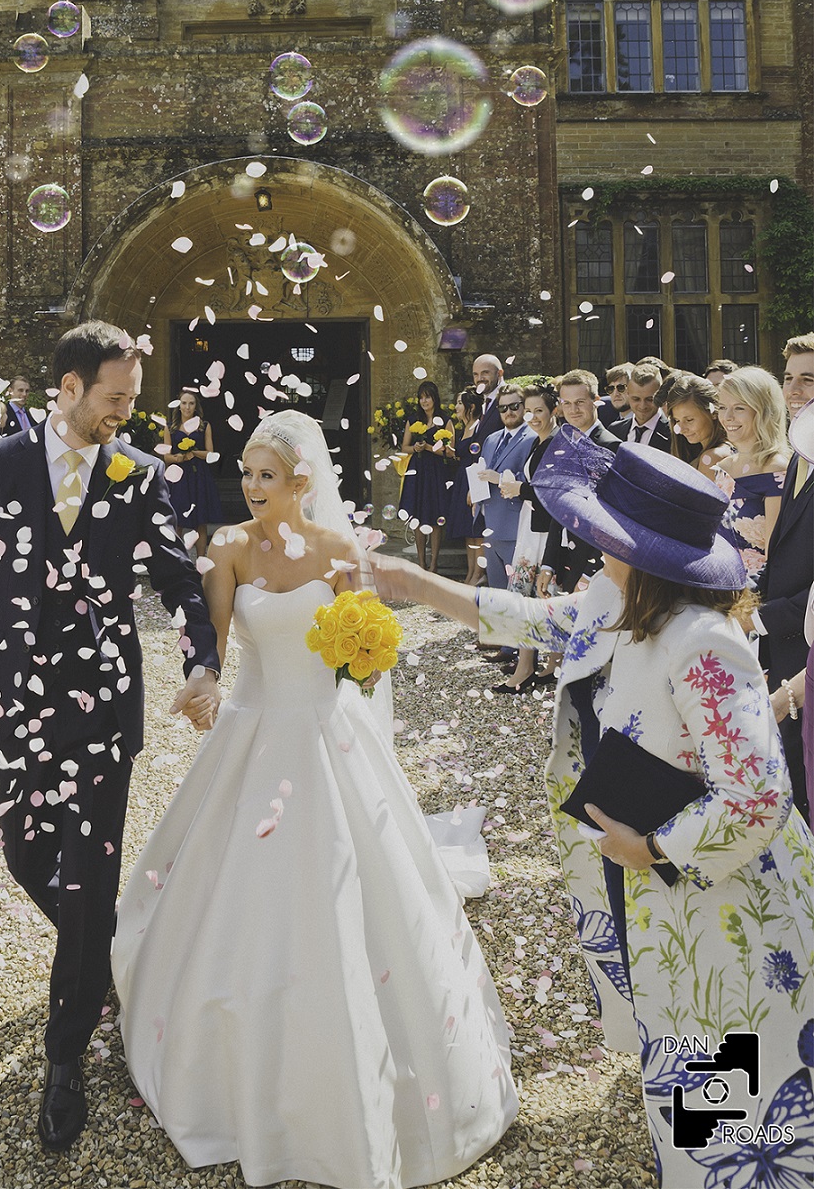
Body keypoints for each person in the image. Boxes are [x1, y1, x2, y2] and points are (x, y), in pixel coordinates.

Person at [372, 438, 814, 1189]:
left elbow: (757, 794)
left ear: (639, 552)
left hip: (724, 907)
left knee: (724, 1050)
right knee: (687, 1048)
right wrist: (417, 585)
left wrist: (657, 848)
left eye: (604, 532)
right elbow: (543, 620)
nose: (590, 541)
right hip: (657, 893)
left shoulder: (702, 642)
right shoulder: (616, 602)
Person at [112, 410, 518, 1189]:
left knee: (356, 884)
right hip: (254, 733)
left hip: (329, 735)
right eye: (246, 473)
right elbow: (213, 643)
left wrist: (361, 659)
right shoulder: (225, 547)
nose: (252, 486)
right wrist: (200, 681)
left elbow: (363, 653)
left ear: (302, 483)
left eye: (267, 475)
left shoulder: (338, 550)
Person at [0, 321, 221, 1154]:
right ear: (67, 387)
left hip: (103, 703)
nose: (123, 414)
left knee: (88, 873)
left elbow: (176, 572)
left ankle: (64, 1058)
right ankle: (97, 954)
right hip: (17, 700)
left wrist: (202, 659)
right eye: (113, 398)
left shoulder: (139, 474)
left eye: (130, 399)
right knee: (24, 855)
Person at [749, 334, 814, 824]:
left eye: (808, 379)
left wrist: (762, 618)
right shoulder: (799, 454)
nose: (794, 389)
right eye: (788, 377)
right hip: (782, 649)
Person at [493, 380, 559, 694]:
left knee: (541, 598)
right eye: (529, 410)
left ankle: (539, 667)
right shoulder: (538, 440)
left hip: (546, 531)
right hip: (530, 526)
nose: (532, 417)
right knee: (526, 598)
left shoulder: (556, 442)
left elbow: (555, 491)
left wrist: (520, 489)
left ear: (553, 410)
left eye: (538, 411)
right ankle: (532, 665)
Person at [538, 370, 620, 598]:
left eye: (580, 402)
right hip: (567, 558)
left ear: (596, 402)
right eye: (567, 403)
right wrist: (548, 564)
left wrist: (590, 572)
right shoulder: (560, 444)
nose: (573, 410)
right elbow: (558, 508)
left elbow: (610, 517)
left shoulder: (611, 447)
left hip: (598, 564)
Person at [714, 366, 790, 582]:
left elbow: (776, 552)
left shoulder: (775, 468)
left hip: (756, 593)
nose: (727, 417)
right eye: (722, 407)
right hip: (717, 584)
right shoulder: (722, 468)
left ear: (763, 411)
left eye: (739, 408)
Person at [475, 382, 535, 588]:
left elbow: (531, 480)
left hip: (516, 526)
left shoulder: (534, 437)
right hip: (490, 525)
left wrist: (499, 478)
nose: (508, 412)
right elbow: (483, 472)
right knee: (497, 594)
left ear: (524, 406)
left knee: (518, 595)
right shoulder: (491, 439)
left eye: (514, 406)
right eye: (502, 408)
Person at [161, 388, 223, 558]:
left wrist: (193, 453)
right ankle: (177, 560)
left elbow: (210, 454)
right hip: (178, 477)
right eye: (184, 403)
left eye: (191, 403)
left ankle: (201, 561)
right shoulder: (171, 427)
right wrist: (177, 458)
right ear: (178, 406)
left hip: (198, 477)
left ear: (196, 406)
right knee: (178, 520)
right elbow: (166, 457)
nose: (187, 407)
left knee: (200, 521)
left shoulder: (204, 426)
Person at [396, 379, 450, 571]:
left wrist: (428, 447)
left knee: (436, 517)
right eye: (421, 398)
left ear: (434, 398)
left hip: (436, 471)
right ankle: (421, 562)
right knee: (418, 516)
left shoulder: (445, 419)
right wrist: (416, 448)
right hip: (417, 470)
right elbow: (404, 447)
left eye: (427, 397)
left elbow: (450, 451)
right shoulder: (413, 419)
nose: (424, 401)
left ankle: (434, 563)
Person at [446, 385, 484, 585]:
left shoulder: (479, 426)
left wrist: (474, 488)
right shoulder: (463, 428)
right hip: (462, 478)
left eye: (460, 403)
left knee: (477, 530)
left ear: (470, 406)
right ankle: (470, 572)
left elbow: (478, 457)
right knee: (467, 532)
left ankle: (479, 573)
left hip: (473, 480)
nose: (456, 406)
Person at [664, 371, 733, 476]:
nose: (681, 429)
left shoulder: (711, 458)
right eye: (677, 421)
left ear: (713, 413)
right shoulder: (711, 452)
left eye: (689, 420)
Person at [613, 360, 672, 451]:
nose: (642, 406)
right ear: (628, 394)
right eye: (636, 399)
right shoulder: (615, 430)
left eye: (650, 399)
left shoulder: (673, 435)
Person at [472, 352, 505, 438]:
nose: (479, 379)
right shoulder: (483, 400)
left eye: (485, 373)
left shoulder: (509, 398)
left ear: (499, 373)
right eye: (475, 374)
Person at [597, 362, 633, 430]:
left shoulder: (642, 424)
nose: (615, 393)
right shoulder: (612, 426)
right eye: (610, 389)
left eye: (621, 388)